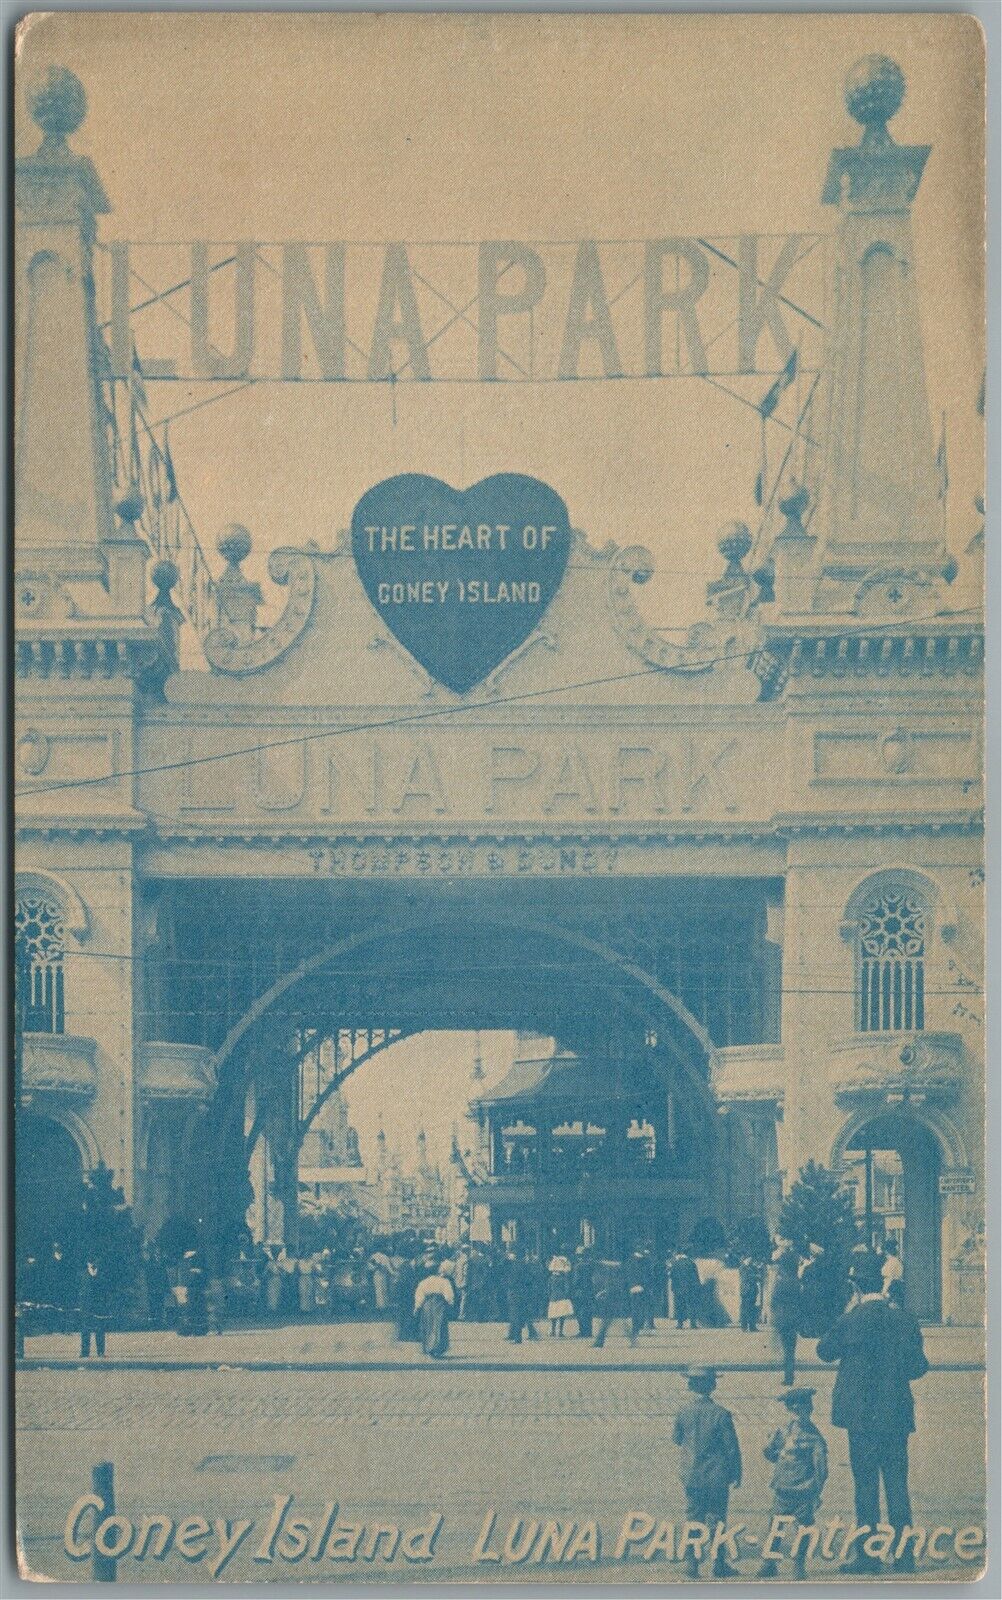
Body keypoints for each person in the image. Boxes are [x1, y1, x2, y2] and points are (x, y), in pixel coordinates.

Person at [816, 1254, 929, 1576]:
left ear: (854, 1286)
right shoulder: (905, 1319)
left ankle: (868, 1556)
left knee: (865, 1486)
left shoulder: (851, 1319)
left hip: (861, 1418)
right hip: (894, 1414)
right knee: (897, 1485)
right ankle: (904, 1557)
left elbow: (824, 1351)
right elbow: (919, 1366)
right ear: (884, 1284)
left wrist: (847, 1313)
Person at [672, 1367, 742, 1579]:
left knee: (694, 1517)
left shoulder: (683, 1412)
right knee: (717, 1519)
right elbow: (731, 1447)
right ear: (713, 1386)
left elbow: (676, 1438)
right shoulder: (721, 1414)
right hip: (716, 1476)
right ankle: (718, 1564)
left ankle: (691, 1564)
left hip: (692, 1475)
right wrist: (737, 1472)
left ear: (689, 1386)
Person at [757, 1387, 829, 1579]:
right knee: (775, 1527)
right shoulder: (782, 1431)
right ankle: (769, 1562)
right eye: (793, 1408)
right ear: (789, 1409)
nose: (798, 1412)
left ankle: (798, 1564)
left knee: (803, 1528)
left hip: (803, 1491)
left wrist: (816, 1492)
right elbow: (770, 1454)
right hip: (782, 1488)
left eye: (803, 1408)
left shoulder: (815, 1438)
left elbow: (821, 1470)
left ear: (809, 1409)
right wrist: (770, 1447)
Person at [770, 1246, 802, 1385]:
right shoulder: (796, 1281)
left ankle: (788, 1377)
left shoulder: (780, 1282)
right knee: (790, 1350)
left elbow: (774, 1300)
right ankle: (789, 1376)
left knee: (785, 1349)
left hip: (782, 1317)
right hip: (794, 1317)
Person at [414, 1259, 454, 1358]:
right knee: (438, 1325)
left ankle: (429, 1347)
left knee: (428, 1325)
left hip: (427, 1305)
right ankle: (437, 1347)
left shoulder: (423, 1282)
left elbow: (419, 1296)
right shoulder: (444, 1281)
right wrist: (450, 1303)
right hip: (439, 1304)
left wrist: (417, 1307)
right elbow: (448, 1295)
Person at [78, 1259, 112, 1358]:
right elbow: (80, 1292)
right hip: (86, 1307)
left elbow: (106, 1291)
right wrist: (81, 1305)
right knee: (85, 1330)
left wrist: (105, 1304)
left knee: (100, 1329)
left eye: (94, 1262)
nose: (92, 1264)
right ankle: (85, 1352)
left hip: (99, 1307)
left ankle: (100, 1352)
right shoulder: (82, 1275)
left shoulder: (102, 1275)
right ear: (87, 1263)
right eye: (90, 1262)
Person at [592, 1253, 626, 1347]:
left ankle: (599, 1341)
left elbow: (611, 1287)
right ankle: (599, 1341)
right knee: (616, 1320)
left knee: (608, 1320)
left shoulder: (611, 1274)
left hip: (612, 1299)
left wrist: (602, 1293)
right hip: (613, 1298)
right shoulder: (614, 1272)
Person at [505, 1251, 539, 1343]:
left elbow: (511, 1282)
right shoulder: (525, 1266)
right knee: (522, 1315)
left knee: (515, 1316)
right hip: (524, 1294)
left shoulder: (513, 1268)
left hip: (515, 1294)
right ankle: (529, 1333)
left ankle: (517, 1337)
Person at [670, 1250, 701, 1330]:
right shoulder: (691, 1263)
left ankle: (680, 1323)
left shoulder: (676, 1263)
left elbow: (672, 1276)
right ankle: (693, 1323)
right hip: (690, 1288)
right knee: (691, 1305)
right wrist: (697, 1286)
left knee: (680, 1305)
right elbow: (695, 1277)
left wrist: (673, 1287)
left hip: (678, 1288)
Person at [546, 1251, 573, 1336]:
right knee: (562, 1316)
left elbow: (548, 1289)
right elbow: (567, 1288)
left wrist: (549, 1296)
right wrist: (566, 1294)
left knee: (553, 1315)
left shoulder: (551, 1278)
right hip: (562, 1297)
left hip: (553, 1298)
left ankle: (553, 1331)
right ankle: (560, 1332)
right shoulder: (563, 1278)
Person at [570, 1245, 595, 1338]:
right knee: (588, 1311)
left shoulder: (578, 1266)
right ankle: (589, 1331)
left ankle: (582, 1331)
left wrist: (572, 1289)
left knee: (580, 1311)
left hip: (580, 1292)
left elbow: (576, 1280)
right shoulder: (590, 1265)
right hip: (589, 1290)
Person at [738, 1256, 760, 1332]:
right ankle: (744, 1327)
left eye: (751, 1259)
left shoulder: (752, 1267)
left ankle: (752, 1326)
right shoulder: (742, 1267)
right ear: (744, 1259)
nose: (750, 1261)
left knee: (752, 1309)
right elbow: (746, 1278)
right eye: (748, 1259)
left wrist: (756, 1276)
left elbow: (759, 1276)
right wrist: (755, 1276)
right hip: (746, 1291)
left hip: (753, 1290)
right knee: (745, 1309)